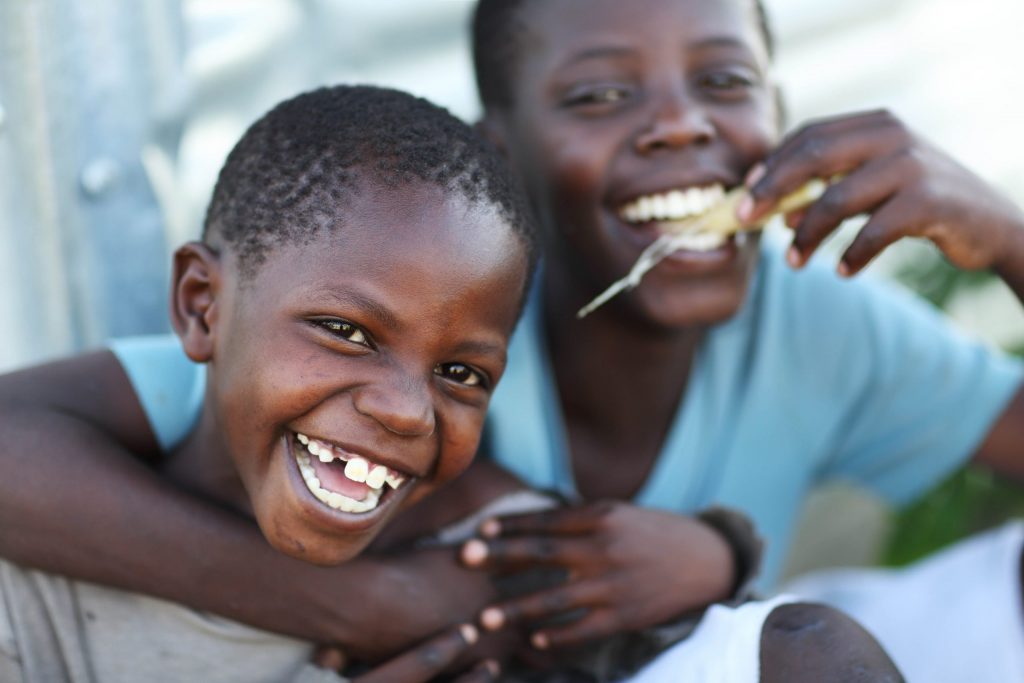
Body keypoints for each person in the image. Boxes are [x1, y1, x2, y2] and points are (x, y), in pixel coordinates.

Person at [3, 0, 1021, 673]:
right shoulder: (408, 275)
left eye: (723, 82)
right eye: (598, 95)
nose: (678, 126)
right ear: (503, 146)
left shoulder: (816, 319)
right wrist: (368, 602)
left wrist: (1009, 239)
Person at [0, 83, 543, 683]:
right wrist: (365, 602)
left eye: (460, 373)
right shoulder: (30, 602)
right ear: (202, 305)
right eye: (344, 330)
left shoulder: (510, 574)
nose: (409, 413)